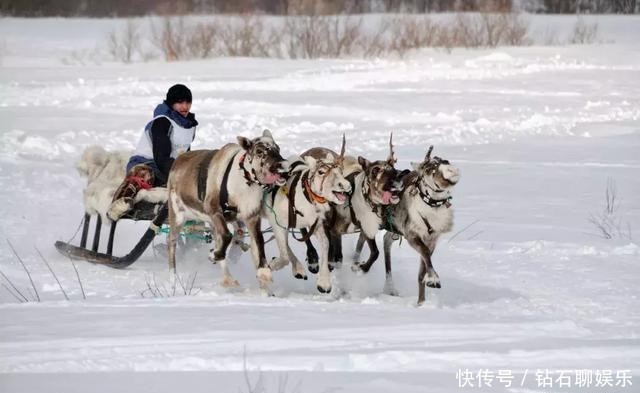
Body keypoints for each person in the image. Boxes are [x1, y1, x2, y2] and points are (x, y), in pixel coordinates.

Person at [108, 84, 198, 221]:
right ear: (171, 103)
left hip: (169, 169)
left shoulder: (189, 126)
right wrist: (181, 175)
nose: (185, 107)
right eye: (180, 102)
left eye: (188, 102)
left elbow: (185, 154)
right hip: (147, 163)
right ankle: (120, 203)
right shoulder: (162, 122)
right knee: (144, 174)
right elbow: (161, 157)